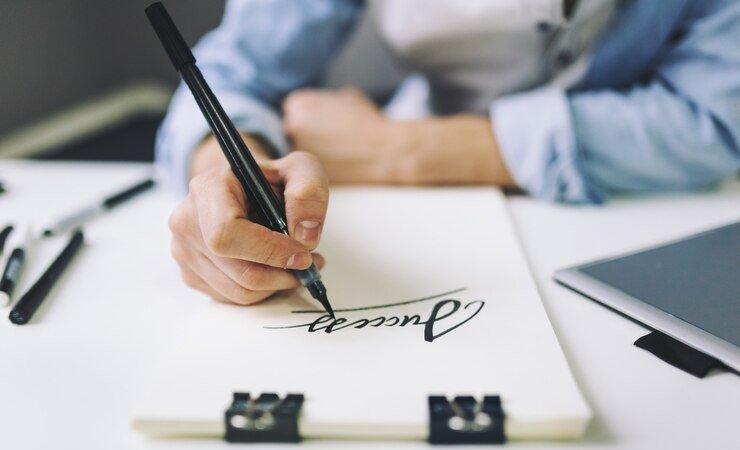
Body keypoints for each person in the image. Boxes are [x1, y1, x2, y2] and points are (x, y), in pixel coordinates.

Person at [157, 0, 740, 305]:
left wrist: (402, 150)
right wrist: (223, 175)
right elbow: (235, 74)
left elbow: (717, 119)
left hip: (638, 221)